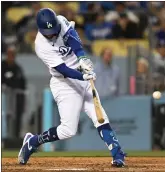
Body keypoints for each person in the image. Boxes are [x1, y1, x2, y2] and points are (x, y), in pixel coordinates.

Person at [18, 8, 126, 167]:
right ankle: (33, 141)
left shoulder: (61, 21)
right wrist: (82, 76)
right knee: (68, 130)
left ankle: (118, 155)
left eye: (53, 30)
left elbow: (74, 40)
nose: (52, 34)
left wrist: (82, 58)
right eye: (48, 32)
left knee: (100, 116)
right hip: (64, 83)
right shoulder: (41, 45)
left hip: (81, 76)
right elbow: (63, 69)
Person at [2, 46, 26, 138]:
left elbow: (22, 83)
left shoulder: (17, 68)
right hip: (4, 98)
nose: (11, 56)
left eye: (13, 55)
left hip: (16, 98)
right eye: (10, 54)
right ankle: (4, 136)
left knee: (16, 117)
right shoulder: (2, 66)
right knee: (4, 116)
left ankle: (15, 137)